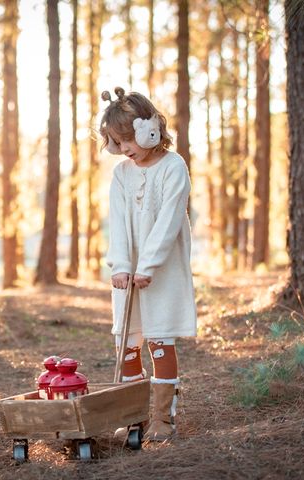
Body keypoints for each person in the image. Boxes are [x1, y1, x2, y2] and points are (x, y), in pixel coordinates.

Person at [100, 87, 198, 441]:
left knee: (159, 340)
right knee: (127, 341)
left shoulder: (174, 166)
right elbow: (118, 223)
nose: (123, 147)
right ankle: (133, 414)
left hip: (161, 273)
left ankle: (161, 418)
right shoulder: (121, 174)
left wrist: (149, 264)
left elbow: (170, 219)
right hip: (128, 278)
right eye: (116, 141)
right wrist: (121, 265)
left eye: (128, 138)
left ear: (149, 129)